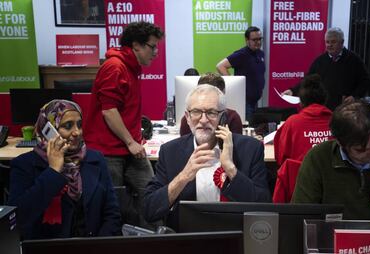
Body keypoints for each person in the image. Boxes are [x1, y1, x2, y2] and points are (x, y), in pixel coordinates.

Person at [144, 85, 270, 230]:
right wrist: (184, 176)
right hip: (188, 240)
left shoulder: (250, 149)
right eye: (196, 112)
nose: (203, 120)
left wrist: (231, 169)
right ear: (188, 117)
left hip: (233, 237)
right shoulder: (170, 152)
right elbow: (149, 210)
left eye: (211, 112)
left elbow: (264, 208)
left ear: (223, 117)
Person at [291, 99, 370, 245]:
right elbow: (301, 214)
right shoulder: (318, 158)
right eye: (361, 150)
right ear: (340, 143)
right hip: (334, 246)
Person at [83, 21, 164, 228]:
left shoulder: (131, 67)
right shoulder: (115, 67)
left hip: (129, 148)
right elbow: (109, 111)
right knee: (113, 208)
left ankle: (153, 240)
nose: (155, 52)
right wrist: (130, 142)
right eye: (152, 46)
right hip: (108, 151)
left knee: (151, 195)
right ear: (136, 45)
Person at [8, 100, 121, 240]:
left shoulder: (95, 159)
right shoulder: (24, 165)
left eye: (79, 125)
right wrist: (53, 171)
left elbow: (112, 213)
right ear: (48, 130)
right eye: (68, 126)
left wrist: (100, 246)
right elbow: (18, 219)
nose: (77, 132)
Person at [282, 27, 370, 111]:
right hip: (325, 109)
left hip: (347, 109)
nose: (329, 45)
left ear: (342, 42)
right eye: (327, 42)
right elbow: (307, 81)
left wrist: (354, 96)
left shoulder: (354, 60)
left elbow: (365, 81)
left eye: (333, 42)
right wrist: (292, 91)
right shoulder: (319, 61)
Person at [273, 74, 333, 166]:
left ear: (301, 102)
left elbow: (280, 158)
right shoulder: (337, 121)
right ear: (325, 99)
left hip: (298, 178)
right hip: (331, 178)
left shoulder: (292, 123)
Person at [216, 26, 265, 121]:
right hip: (245, 102)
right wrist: (233, 84)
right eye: (254, 40)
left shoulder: (260, 53)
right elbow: (220, 66)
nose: (258, 42)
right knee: (246, 127)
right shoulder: (242, 54)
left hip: (255, 101)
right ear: (247, 40)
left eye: (260, 39)